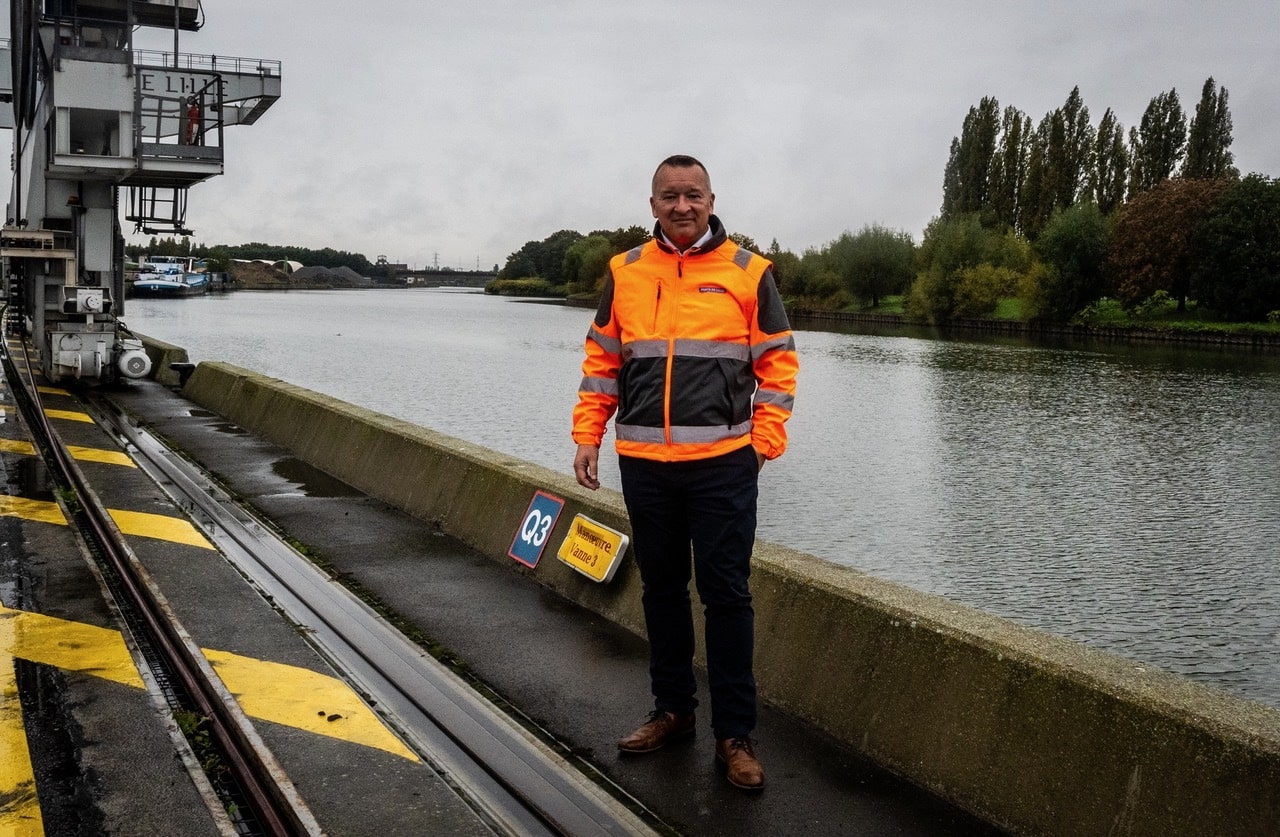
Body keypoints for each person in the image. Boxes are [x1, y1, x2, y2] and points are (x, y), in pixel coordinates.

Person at [571, 154, 798, 791]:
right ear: (652, 206)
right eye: (669, 196)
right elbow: (602, 360)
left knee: (727, 597)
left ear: (710, 199)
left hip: (724, 467)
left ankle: (736, 736)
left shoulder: (750, 273)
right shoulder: (625, 272)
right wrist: (588, 434)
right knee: (662, 591)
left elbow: (778, 366)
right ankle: (673, 712)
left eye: (692, 195)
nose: (681, 206)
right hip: (645, 463)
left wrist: (761, 445)